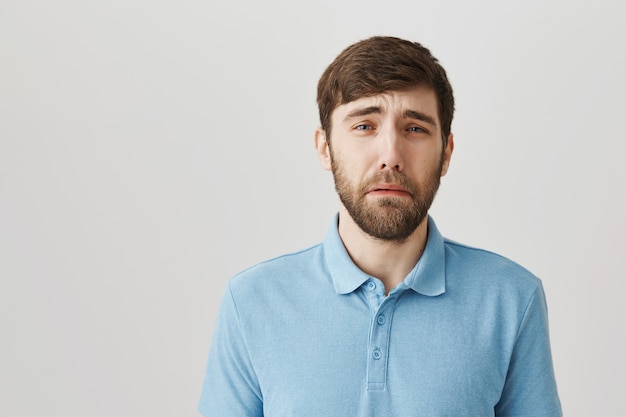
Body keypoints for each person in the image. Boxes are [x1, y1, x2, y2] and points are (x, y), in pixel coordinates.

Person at [198, 36, 562, 417]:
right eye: (364, 126)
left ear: (446, 153)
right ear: (325, 147)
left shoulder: (512, 299)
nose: (390, 156)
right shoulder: (252, 302)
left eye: (416, 129)